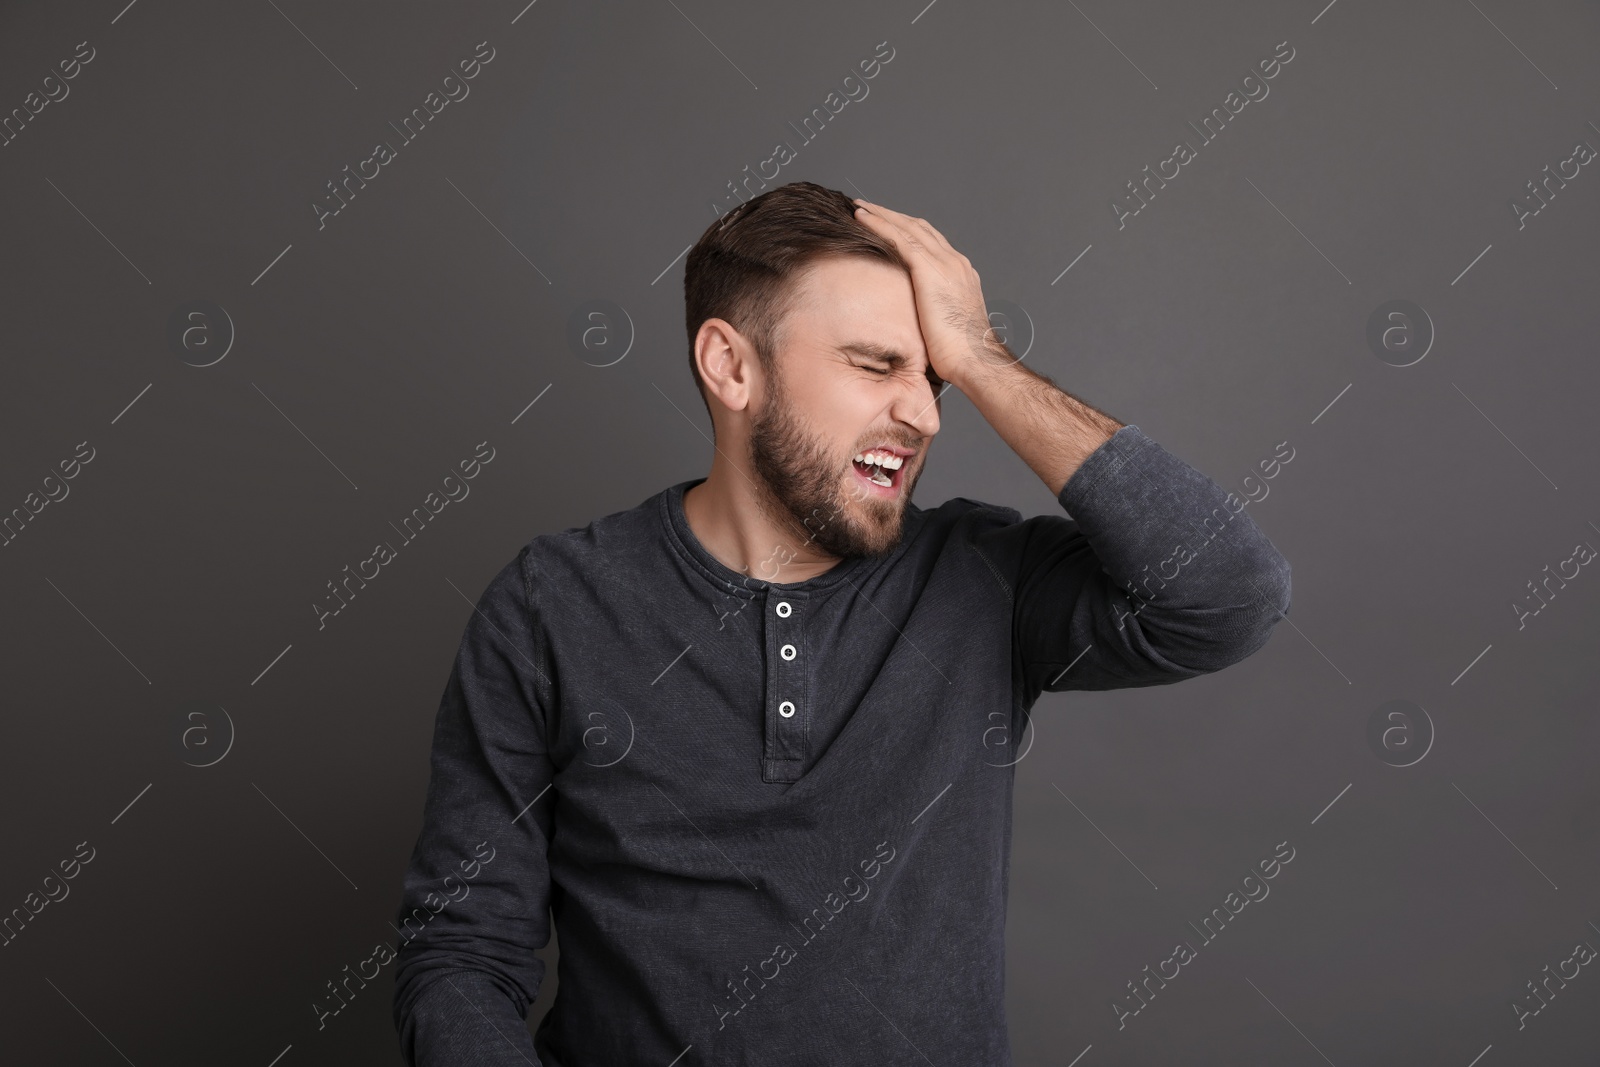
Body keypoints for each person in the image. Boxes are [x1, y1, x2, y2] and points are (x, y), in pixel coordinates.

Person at [391, 181, 1291, 1065]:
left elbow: (1226, 595)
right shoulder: (554, 603)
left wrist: (983, 355)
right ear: (731, 365)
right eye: (876, 365)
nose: (925, 412)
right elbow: (462, 953)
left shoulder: (983, 578)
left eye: (935, 376)